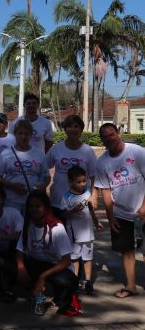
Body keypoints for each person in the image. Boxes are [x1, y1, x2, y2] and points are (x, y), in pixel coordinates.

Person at [94, 123, 145, 299]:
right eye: (104, 137)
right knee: (127, 249)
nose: (109, 139)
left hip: (142, 209)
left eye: (111, 135)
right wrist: (111, 216)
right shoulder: (102, 162)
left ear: (119, 133)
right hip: (121, 212)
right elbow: (105, 190)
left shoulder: (136, 152)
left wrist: (144, 206)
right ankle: (131, 285)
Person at [16, 191, 81, 316]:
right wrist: (20, 267)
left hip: (56, 267)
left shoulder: (56, 228)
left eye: (38, 206)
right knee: (11, 267)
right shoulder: (28, 225)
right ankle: (33, 292)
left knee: (66, 280)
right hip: (36, 263)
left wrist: (43, 276)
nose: (34, 209)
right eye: (31, 207)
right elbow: (19, 250)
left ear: (46, 207)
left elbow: (67, 260)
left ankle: (51, 296)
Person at [0, 120, 49, 216]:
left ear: (31, 135)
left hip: (32, 202)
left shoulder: (39, 153)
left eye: (26, 134)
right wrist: (13, 186)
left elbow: (46, 176)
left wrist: (39, 187)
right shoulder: (5, 153)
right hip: (11, 200)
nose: (23, 137)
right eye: (20, 133)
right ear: (15, 134)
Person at [62, 166, 102, 295]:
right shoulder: (66, 197)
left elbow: (91, 210)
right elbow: (63, 214)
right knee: (74, 258)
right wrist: (72, 210)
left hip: (88, 233)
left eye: (84, 181)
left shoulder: (87, 193)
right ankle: (74, 281)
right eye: (79, 182)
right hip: (74, 234)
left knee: (88, 257)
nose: (82, 184)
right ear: (70, 182)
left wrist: (96, 222)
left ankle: (88, 282)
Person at [46, 115, 97, 215]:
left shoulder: (88, 151)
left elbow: (94, 176)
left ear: (81, 129)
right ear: (65, 129)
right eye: (69, 126)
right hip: (58, 200)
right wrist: (45, 187)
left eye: (76, 126)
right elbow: (43, 168)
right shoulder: (56, 148)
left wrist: (94, 196)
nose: (72, 129)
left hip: (81, 202)